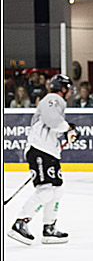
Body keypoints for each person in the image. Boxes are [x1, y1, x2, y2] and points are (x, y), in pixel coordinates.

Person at [8, 74, 78, 246]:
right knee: (46, 190)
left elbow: (55, 124)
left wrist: (68, 132)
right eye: (67, 88)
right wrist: (68, 128)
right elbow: (52, 120)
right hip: (40, 151)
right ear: (62, 88)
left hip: (49, 153)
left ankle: (49, 228)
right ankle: (20, 223)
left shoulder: (55, 102)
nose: (69, 92)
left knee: (56, 190)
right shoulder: (53, 98)